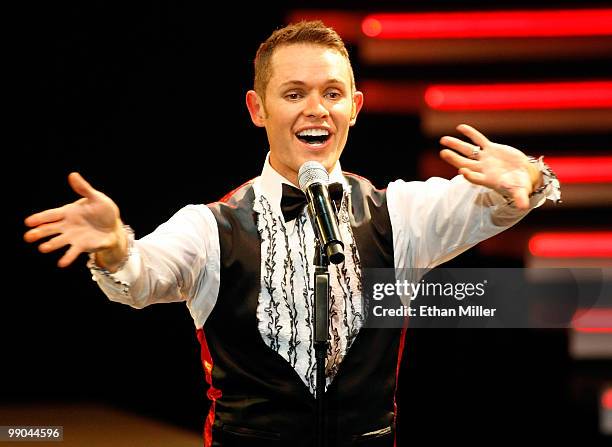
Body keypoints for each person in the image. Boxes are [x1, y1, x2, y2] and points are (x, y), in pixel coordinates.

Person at [24, 20, 560, 447]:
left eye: (332, 93)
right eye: (294, 93)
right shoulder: (213, 226)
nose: (315, 109)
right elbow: (139, 277)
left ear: (355, 108)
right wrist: (116, 246)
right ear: (258, 109)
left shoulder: (399, 213)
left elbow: (497, 202)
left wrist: (532, 175)